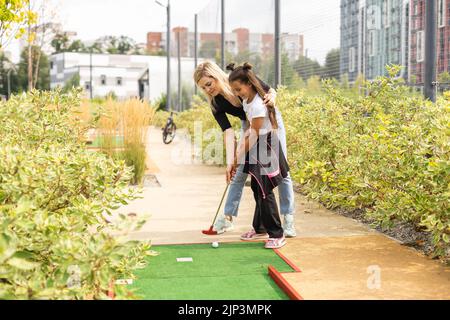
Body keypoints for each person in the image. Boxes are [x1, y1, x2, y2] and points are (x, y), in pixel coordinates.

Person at [193, 61, 296, 237]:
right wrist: (230, 162)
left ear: (216, 76)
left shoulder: (238, 79)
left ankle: (288, 218)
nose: (208, 90)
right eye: (203, 88)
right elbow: (228, 132)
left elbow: (269, 90)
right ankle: (227, 218)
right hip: (248, 124)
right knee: (239, 171)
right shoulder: (216, 104)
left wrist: (273, 97)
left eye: (209, 84)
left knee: (281, 172)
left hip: (270, 120)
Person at [228, 62, 288, 248]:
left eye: (239, 89)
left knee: (264, 189)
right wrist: (238, 154)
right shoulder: (247, 102)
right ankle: (261, 227)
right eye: (235, 91)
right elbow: (250, 132)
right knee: (256, 186)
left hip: (267, 145)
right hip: (258, 143)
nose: (238, 94)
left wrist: (237, 159)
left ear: (249, 84)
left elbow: (254, 134)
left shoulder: (258, 106)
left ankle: (277, 234)